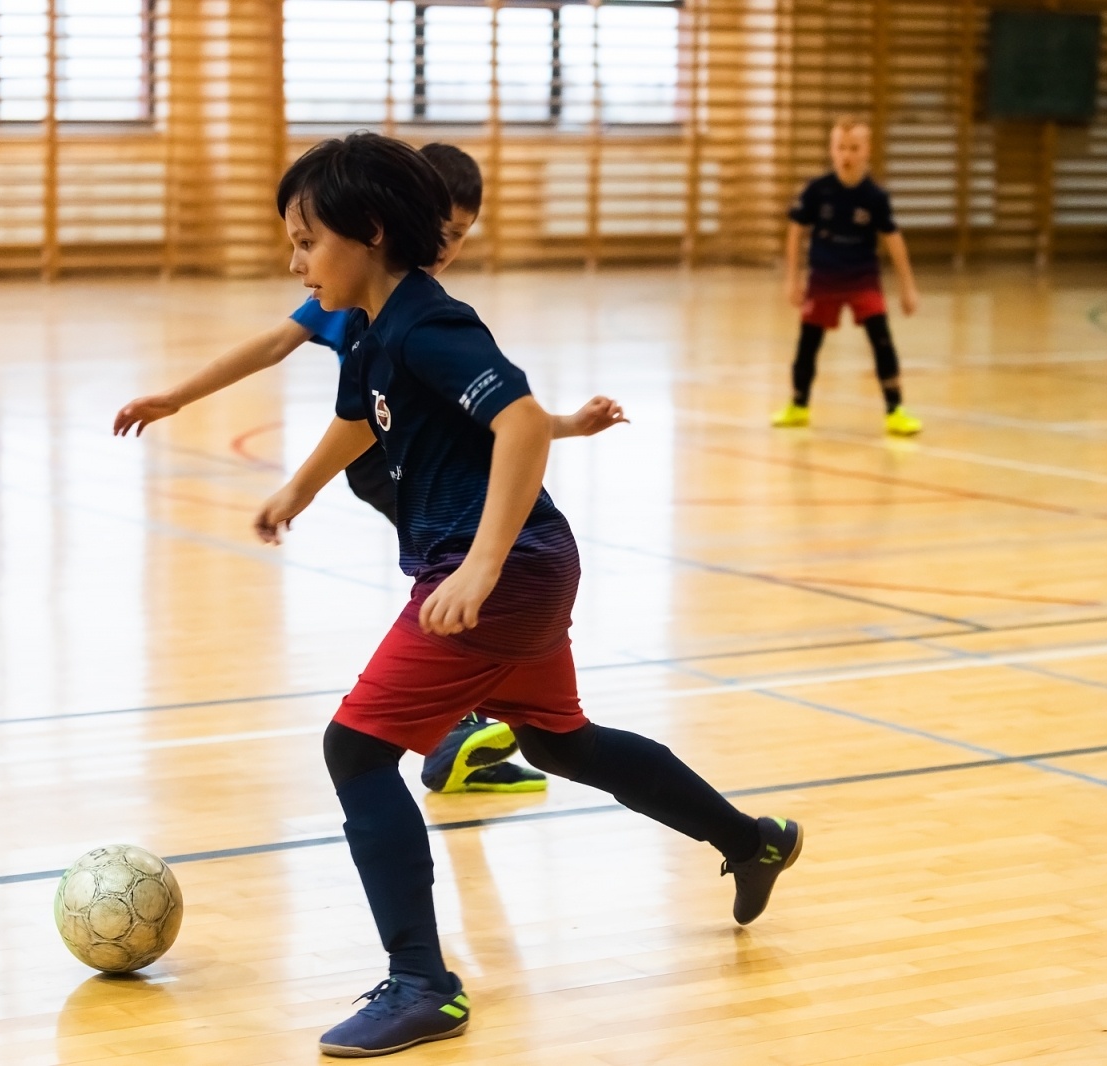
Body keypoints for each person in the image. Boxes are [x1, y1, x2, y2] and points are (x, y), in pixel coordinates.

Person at [254, 132, 804, 1058]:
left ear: (371, 231)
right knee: (558, 739)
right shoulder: (379, 331)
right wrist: (298, 490)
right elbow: (361, 424)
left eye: (308, 239)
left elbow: (518, 423)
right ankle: (752, 840)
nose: (296, 258)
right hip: (527, 567)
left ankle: (425, 985)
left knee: (355, 750)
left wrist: (479, 565)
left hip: (501, 570)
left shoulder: (432, 322)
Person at [116, 143, 626, 796]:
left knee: (467, 590)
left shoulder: (418, 314)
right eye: (439, 227)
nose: (444, 244)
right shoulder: (362, 303)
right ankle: (451, 725)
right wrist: (182, 398)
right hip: (387, 464)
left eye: (460, 234)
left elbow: (499, 418)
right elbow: (300, 367)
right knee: (458, 584)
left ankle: (457, 721)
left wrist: (564, 426)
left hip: (407, 459)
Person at [772, 117, 923, 436]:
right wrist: (792, 278)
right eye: (841, 147)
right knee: (808, 343)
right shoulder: (818, 190)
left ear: (867, 151)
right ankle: (798, 405)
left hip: (862, 278)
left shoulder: (875, 197)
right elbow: (796, 230)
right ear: (832, 150)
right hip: (823, 277)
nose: (847, 155)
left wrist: (908, 287)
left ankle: (895, 409)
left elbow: (893, 239)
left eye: (854, 148)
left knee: (881, 339)